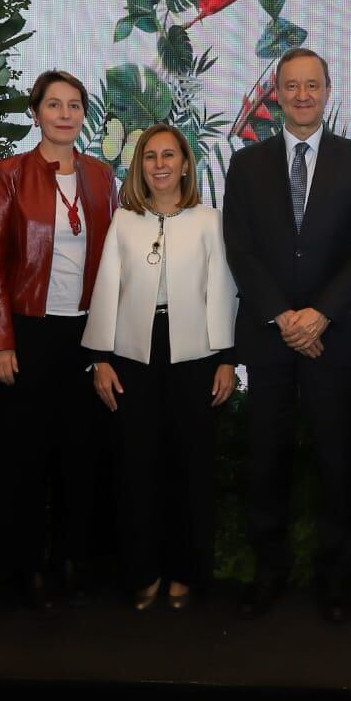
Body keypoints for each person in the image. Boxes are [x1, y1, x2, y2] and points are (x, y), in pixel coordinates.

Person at [223, 47, 351, 623]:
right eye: (291, 86)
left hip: (333, 340)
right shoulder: (246, 164)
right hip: (269, 339)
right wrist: (284, 317)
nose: (302, 95)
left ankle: (335, 575)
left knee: (337, 462)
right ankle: (269, 570)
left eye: (312, 85)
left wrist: (320, 314)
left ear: (327, 89)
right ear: (277, 94)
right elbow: (240, 247)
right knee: (266, 459)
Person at [0, 70, 118, 610]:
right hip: (27, 332)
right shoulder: (9, 173)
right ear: (35, 113)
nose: (65, 114)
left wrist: (107, 341)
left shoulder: (102, 176)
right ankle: (27, 566)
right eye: (54, 104)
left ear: (84, 114)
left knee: (81, 455)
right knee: (25, 458)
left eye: (74, 105)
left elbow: (113, 262)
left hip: (85, 333)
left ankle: (73, 560)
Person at [84, 124, 238, 611]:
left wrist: (227, 359)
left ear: (186, 164)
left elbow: (223, 291)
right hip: (133, 355)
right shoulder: (124, 220)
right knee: (136, 467)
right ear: (140, 167)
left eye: (169, 155)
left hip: (195, 355)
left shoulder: (209, 220)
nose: (160, 164)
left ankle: (186, 571)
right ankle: (142, 569)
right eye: (150, 157)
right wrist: (100, 359)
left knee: (190, 468)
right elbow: (107, 289)